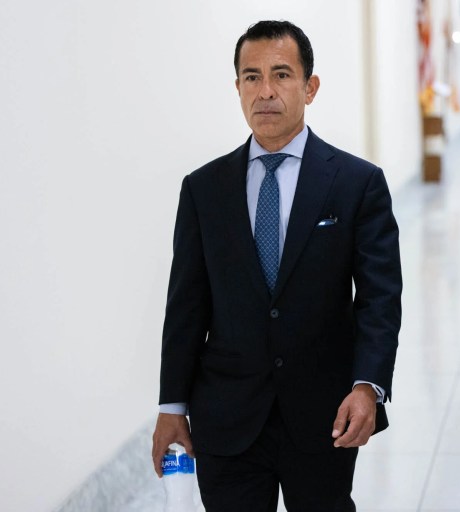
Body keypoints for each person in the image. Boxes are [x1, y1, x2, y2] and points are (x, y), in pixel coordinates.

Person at [151, 20, 402, 512]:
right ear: (238, 88)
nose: (265, 91)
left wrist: (367, 386)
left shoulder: (356, 183)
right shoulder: (203, 189)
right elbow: (186, 305)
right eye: (251, 77)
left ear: (310, 87)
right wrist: (171, 408)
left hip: (323, 413)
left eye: (282, 75)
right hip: (226, 417)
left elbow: (379, 299)